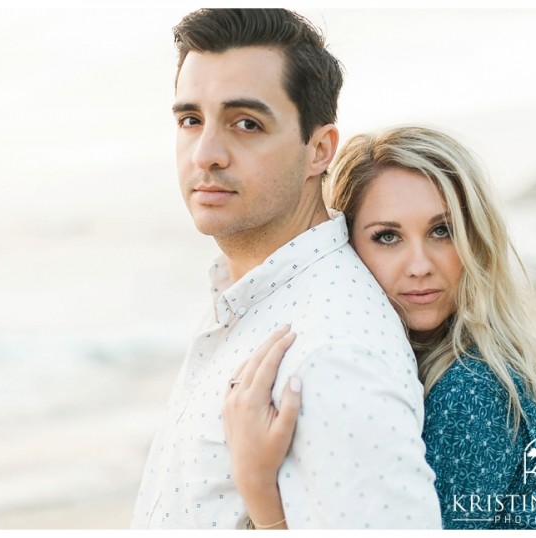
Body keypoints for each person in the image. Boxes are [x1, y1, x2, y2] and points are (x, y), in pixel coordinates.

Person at [130, 9, 442, 530]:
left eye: (246, 124)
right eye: (190, 120)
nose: (205, 154)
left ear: (319, 149)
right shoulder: (253, 302)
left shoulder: (334, 350)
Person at [223, 126, 536, 529]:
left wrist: (259, 489)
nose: (420, 265)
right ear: (346, 249)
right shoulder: (397, 369)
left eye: (442, 231)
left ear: (475, 239)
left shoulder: (472, 391)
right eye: (388, 237)